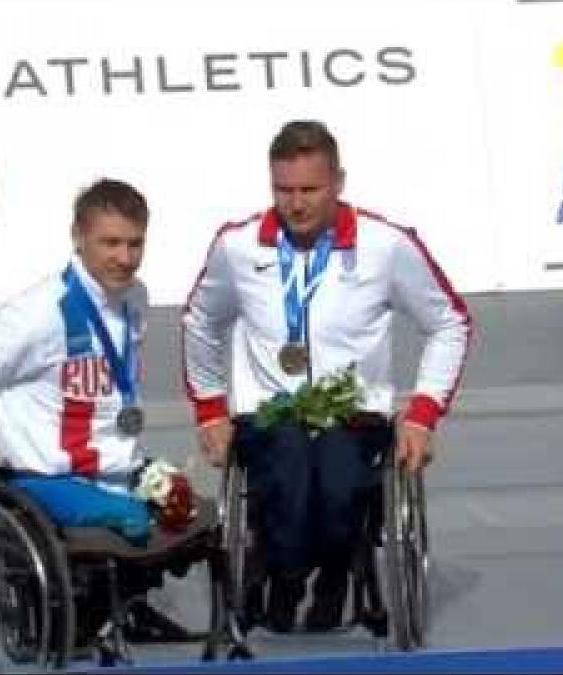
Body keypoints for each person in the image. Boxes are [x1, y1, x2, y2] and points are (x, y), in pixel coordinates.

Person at [181, 119, 472, 633]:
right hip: (270, 414)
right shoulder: (239, 246)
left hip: (354, 414)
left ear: (339, 181)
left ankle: (336, 572)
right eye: (284, 190)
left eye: (310, 190)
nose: (296, 204)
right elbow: (201, 320)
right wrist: (209, 409)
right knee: (290, 468)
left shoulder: (386, 245)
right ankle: (286, 574)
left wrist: (423, 414)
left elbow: (450, 321)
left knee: (339, 484)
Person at [0, 178, 184, 642]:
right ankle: (93, 619)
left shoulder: (135, 299)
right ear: (78, 236)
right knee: (135, 518)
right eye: (110, 243)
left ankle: (125, 606)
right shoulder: (37, 316)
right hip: (43, 481)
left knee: (185, 507)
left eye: (135, 244)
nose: (125, 258)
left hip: (115, 469)